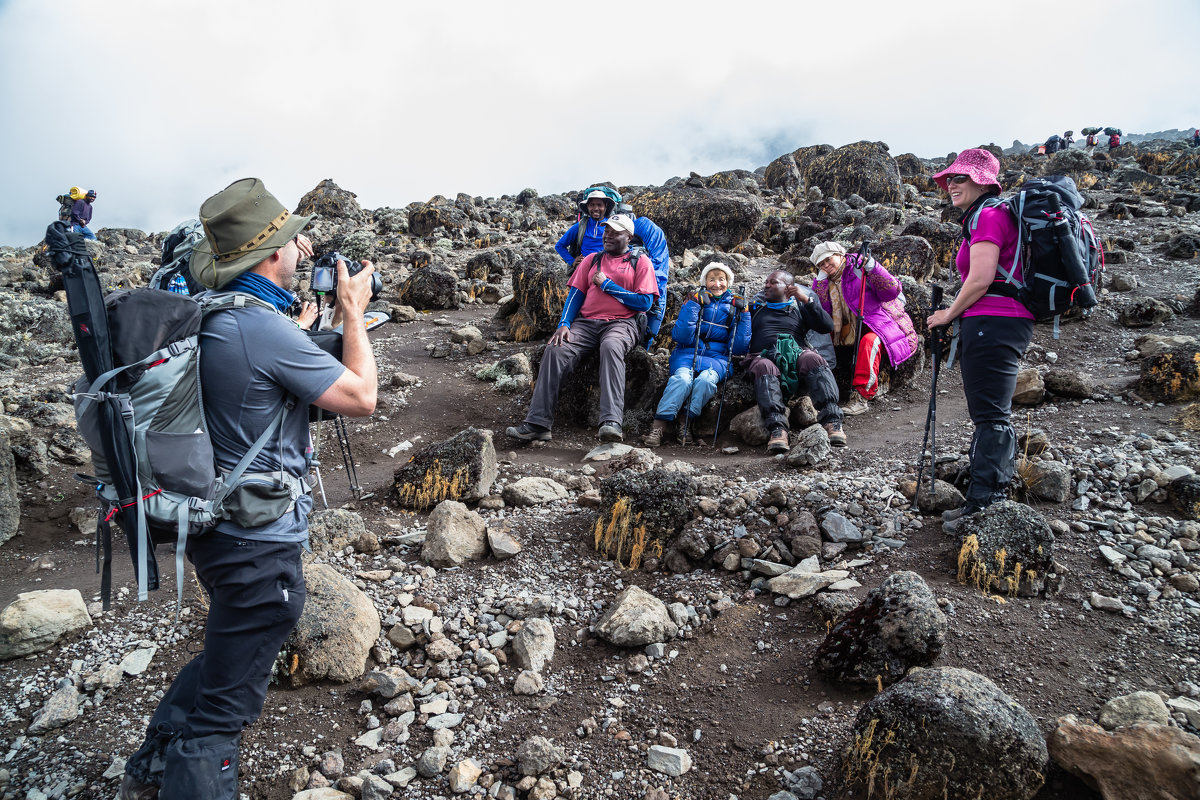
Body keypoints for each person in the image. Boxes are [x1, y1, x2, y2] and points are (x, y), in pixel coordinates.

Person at [119, 178, 378, 800]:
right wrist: (352, 316)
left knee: (232, 638)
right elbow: (362, 397)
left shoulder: (215, 315)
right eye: (292, 242)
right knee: (230, 698)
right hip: (254, 536)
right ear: (270, 256)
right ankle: (189, 771)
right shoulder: (261, 330)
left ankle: (153, 763)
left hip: (215, 522)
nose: (302, 249)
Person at [927, 149, 1034, 533]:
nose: (952, 185)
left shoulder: (988, 214)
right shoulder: (991, 213)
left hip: (994, 320)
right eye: (950, 179)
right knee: (989, 413)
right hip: (1000, 321)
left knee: (991, 416)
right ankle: (982, 496)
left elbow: (981, 277)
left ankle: (986, 505)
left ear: (983, 182)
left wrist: (947, 314)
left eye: (961, 179)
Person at [507, 213, 658, 443]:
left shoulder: (640, 262)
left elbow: (645, 302)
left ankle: (611, 422)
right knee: (555, 349)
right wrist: (564, 324)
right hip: (586, 323)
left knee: (611, 346)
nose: (607, 235)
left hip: (623, 323)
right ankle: (538, 423)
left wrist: (607, 285)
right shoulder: (591, 260)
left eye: (614, 232)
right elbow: (575, 296)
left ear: (628, 236)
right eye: (606, 230)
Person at [644, 262, 750, 446]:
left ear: (728, 282)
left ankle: (685, 424)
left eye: (721, 279)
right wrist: (693, 305)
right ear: (704, 281)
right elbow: (681, 336)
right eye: (712, 279)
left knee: (706, 381)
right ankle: (658, 427)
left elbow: (739, 347)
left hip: (718, 358)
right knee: (682, 380)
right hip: (687, 352)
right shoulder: (695, 299)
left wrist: (745, 314)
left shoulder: (734, 306)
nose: (717, 284)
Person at [554, 184, 671, 346]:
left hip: (623, 286)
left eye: (600, 205)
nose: (596, 209)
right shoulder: (583, 227)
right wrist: (573, 261)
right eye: (592, 204)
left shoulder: (643, 229)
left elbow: (657, 267)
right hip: (594, 280)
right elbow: (560, 245)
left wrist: (650, 292)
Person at [742, 270, 844, 453]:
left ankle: (833, 422)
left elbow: (826, 326)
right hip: (763, 355)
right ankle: (778, 430)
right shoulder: (755, 308)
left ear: (788, 288)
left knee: (813, 358)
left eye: (773, 282)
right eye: (766, 282)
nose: (766, 285)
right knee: (764, 366)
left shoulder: (800, 308)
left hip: (796, 352)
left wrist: (806, 300)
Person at [810, 242, 918, 416]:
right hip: (850, 329)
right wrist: (820, 283)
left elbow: (891, 290)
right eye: (821, 264)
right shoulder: (826, 280)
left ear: (839, 254)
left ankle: (861, 398)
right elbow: (824, 311)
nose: (825, 265)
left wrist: (873, 268)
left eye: (828, 260)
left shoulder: (860, 267)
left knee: (870, 342)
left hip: (880, 323)